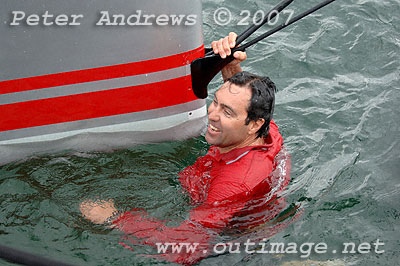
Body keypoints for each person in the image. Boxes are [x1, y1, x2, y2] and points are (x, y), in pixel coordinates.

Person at [80, 32, 291, 265]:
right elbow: (243, 106)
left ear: (254, 125)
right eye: (216, 102)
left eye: (227, 112)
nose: (212, 114)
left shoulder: (232, 185)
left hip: (233, 244)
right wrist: (230, 66)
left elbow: (184, 248)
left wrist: (116, 218)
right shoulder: (265, 130)